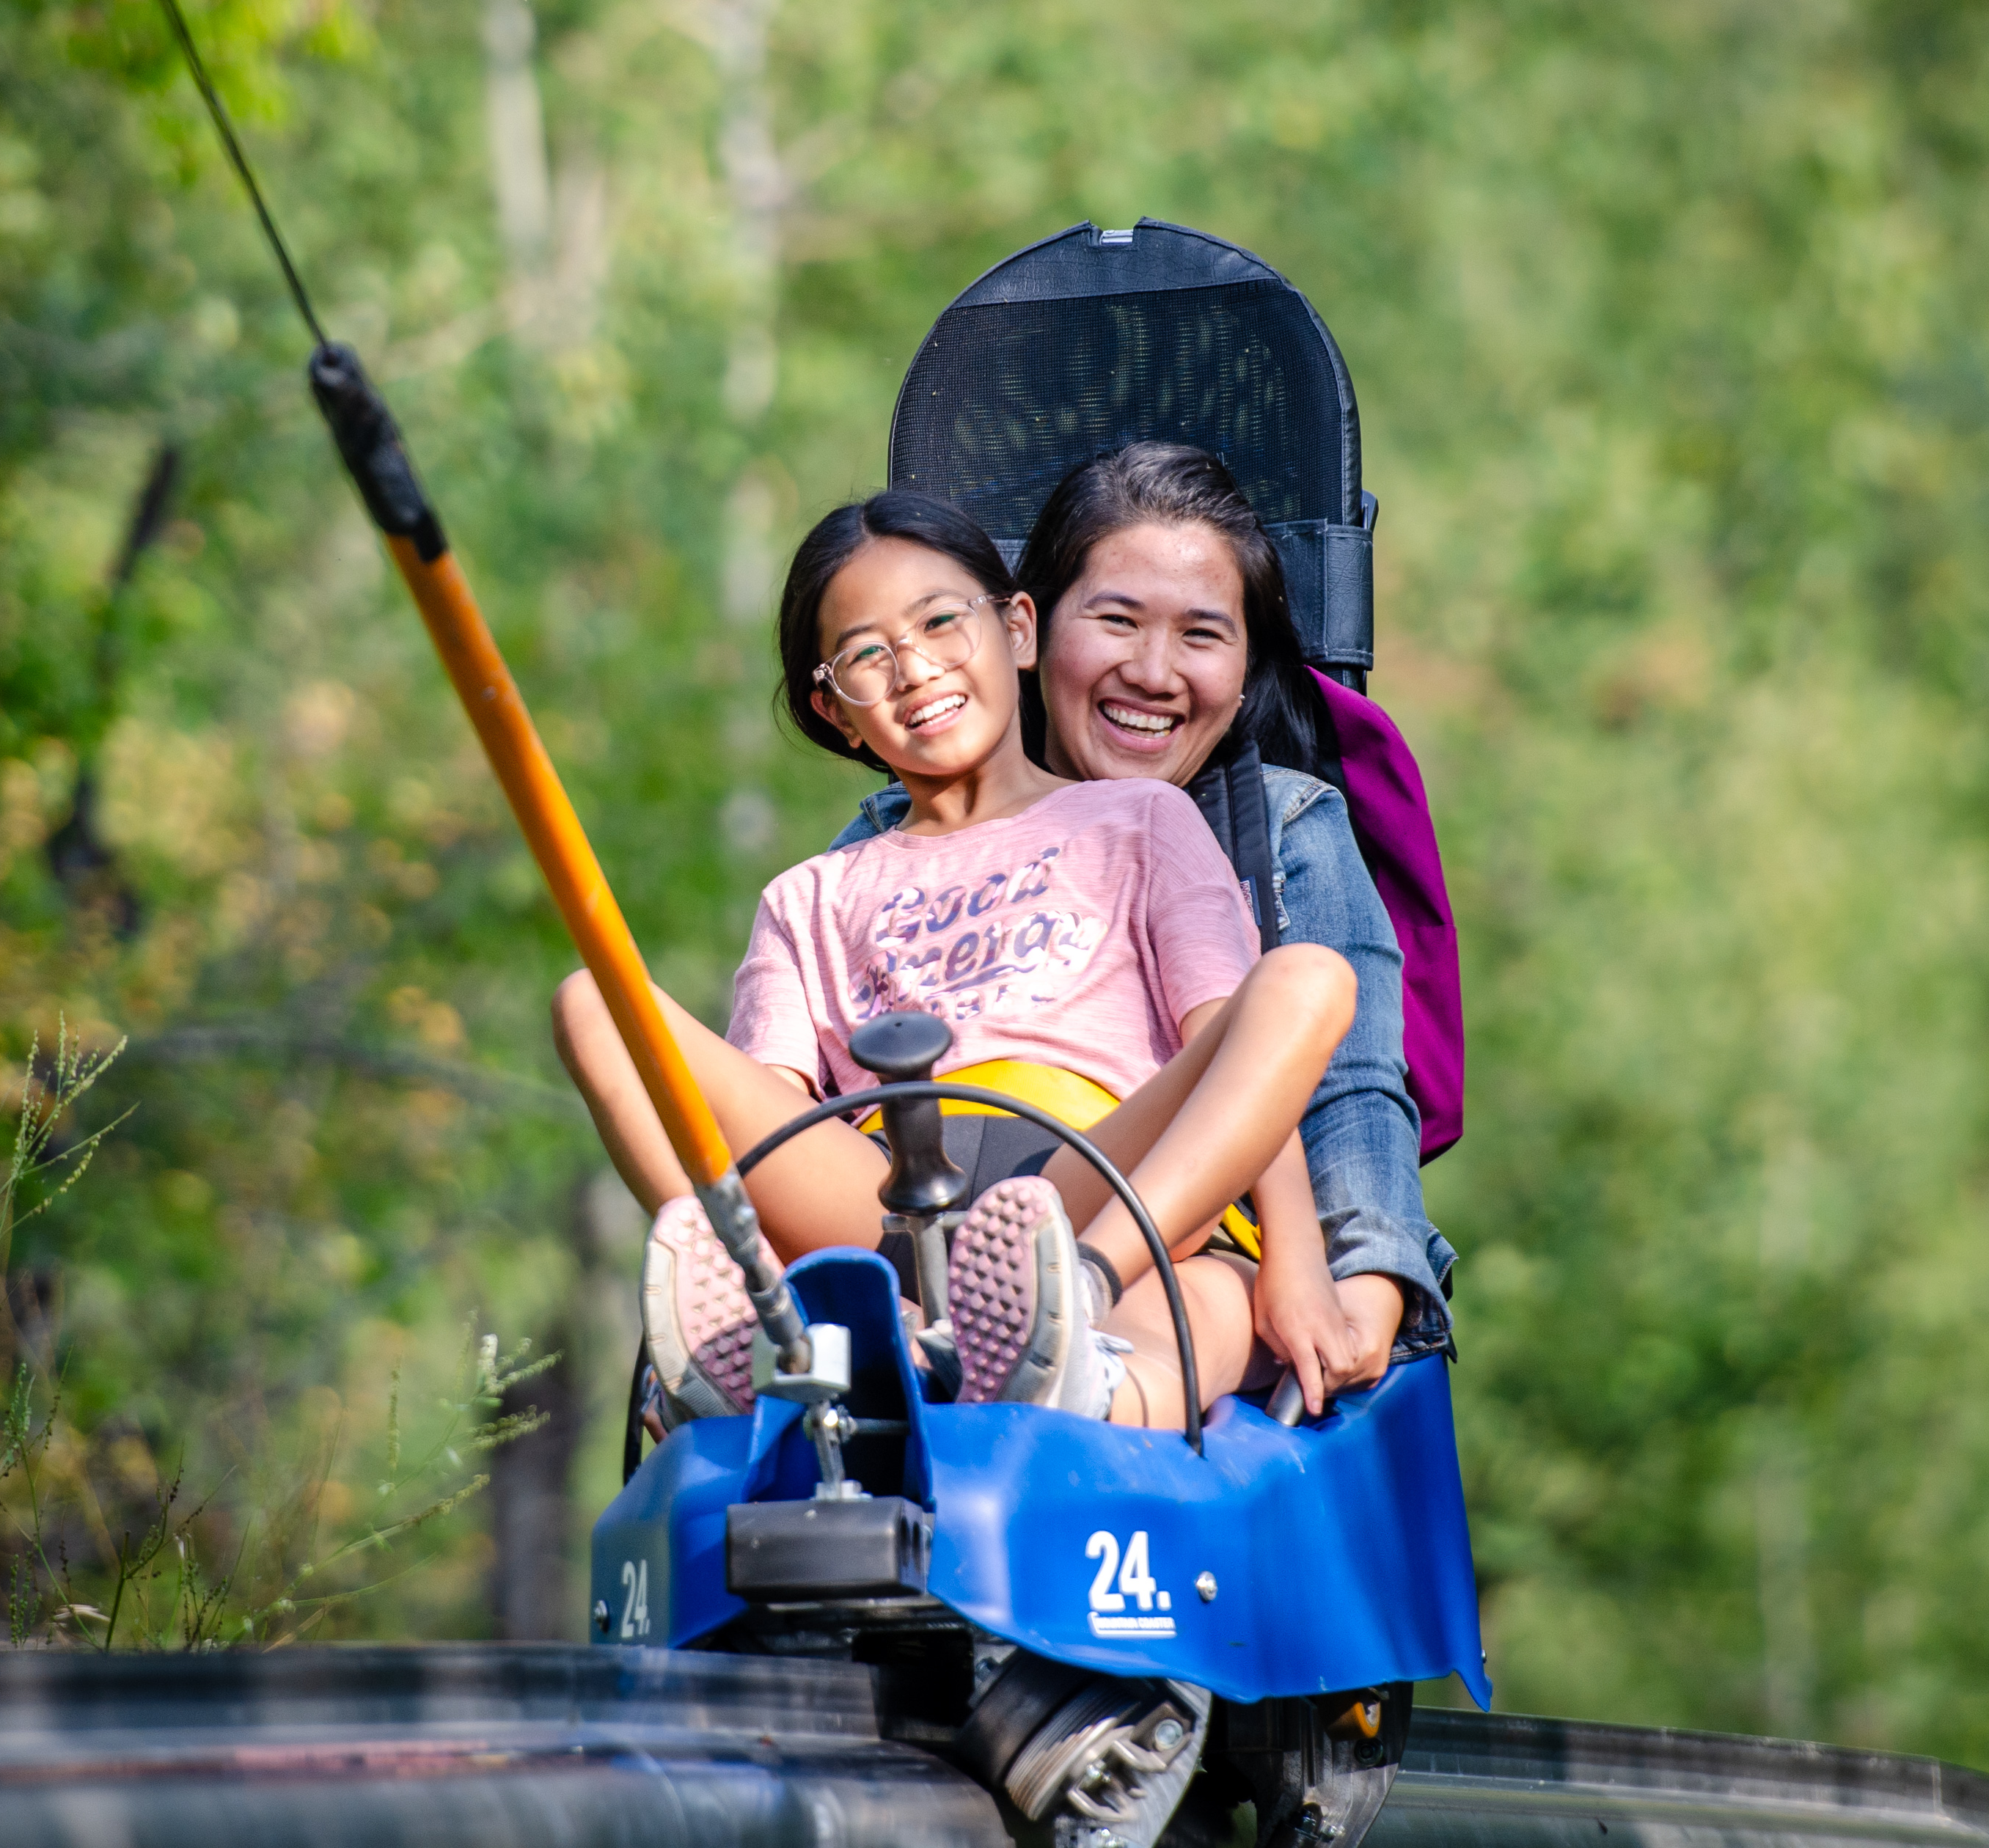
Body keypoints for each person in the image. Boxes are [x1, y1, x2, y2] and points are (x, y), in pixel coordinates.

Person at [553, 488, 1359, 1429]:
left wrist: (1297, 1261)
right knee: (592, 1000)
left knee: (1303, 991)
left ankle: (1072, 1347)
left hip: (1089, 1182)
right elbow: (755, 1124)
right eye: (867, 655)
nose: (916, 668)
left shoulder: (1140, 819)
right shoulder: (811, 895)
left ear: (1018, 630)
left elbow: (1226, 1041)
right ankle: (776, 1325)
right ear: (836, 709)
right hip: (882, 1203)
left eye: (942, 621)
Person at [831, 444, 1454, 1393]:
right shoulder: (882, 843)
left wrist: (1365, 1283)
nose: (1154, 672)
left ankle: (1078, 1351)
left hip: (1179, 1247)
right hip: (914, 1230)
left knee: (1191, 1310)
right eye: (1116, 620)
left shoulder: (1284, 829)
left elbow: (1352, 1087)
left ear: (1248, 670)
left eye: (1202, 636)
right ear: (1028, 630)